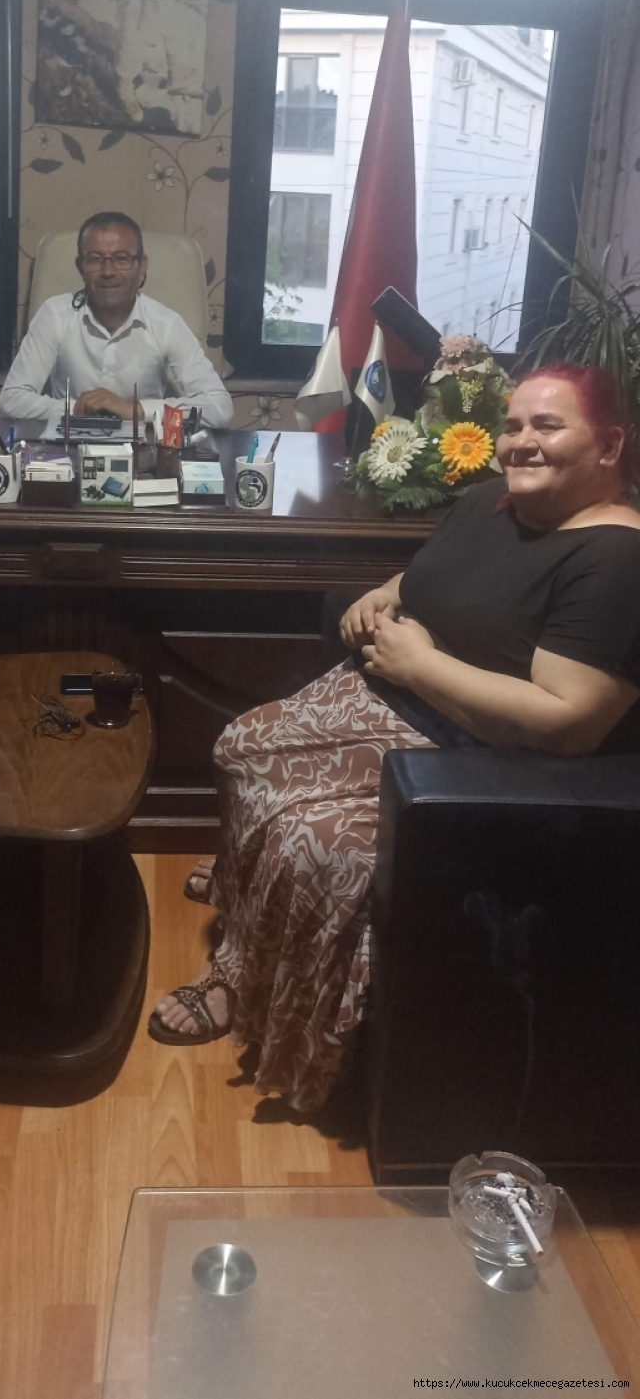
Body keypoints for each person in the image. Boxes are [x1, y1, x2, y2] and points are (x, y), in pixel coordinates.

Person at [149, 364, 640, 1113]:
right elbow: (427, 577)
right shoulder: (493, 502)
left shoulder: (617, 561)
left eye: (547, 426)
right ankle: (252, 896)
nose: (520, 441)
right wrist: (383, 595)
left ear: (609, 445)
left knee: (312, 840)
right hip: (392, 695)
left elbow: (569, 722)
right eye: (512, 425)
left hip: (471, 759)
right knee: (244, 744)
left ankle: (242, 984)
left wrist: (423, 666)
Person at [0, 212, 232, 427]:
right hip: (68, 445)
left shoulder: (167, 324)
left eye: (121, 259)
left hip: (144, 450)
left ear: (141, 266)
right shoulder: (54, 314)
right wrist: (80, 409)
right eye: (95, 259)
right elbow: (11, 399)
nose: (108, 272)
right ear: (81, 267)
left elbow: (220, 408)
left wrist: (135, 410)